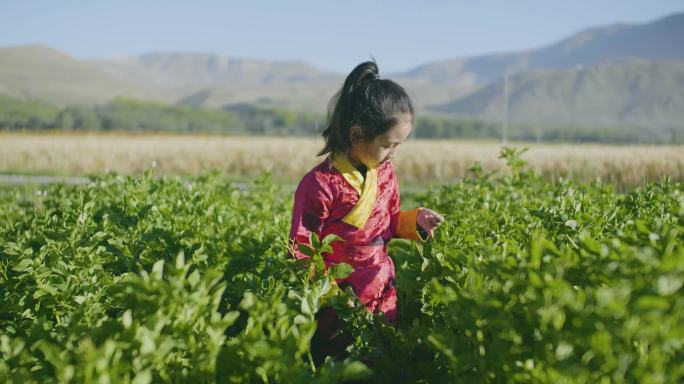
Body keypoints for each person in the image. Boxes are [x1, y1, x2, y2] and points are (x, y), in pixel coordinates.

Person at [288, 60, 444, 361]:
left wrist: (417, 221)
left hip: (381, 286)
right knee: (344, 365)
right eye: (388, 145)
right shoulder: (319, 185)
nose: (393, 154)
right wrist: (332, 296)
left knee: (380, 359)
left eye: (399, 146)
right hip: (339, 297)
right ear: (357, 136)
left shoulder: (384, 174)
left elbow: (390, 221)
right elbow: (302, 250)